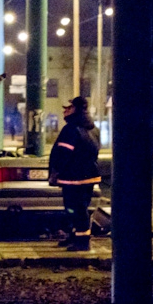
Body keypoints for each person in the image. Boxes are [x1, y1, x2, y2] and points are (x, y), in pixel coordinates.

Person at [48, 96, 101, 251]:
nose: (65, 110)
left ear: (76, 109)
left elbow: (63, 153)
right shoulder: (93, 128)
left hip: (73, 177)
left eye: (68, 108)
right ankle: (75, 237)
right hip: (89, 175)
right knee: (79, 208)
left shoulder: (71, 129)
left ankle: (82, 242)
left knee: (75, 209)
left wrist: (55, 172)